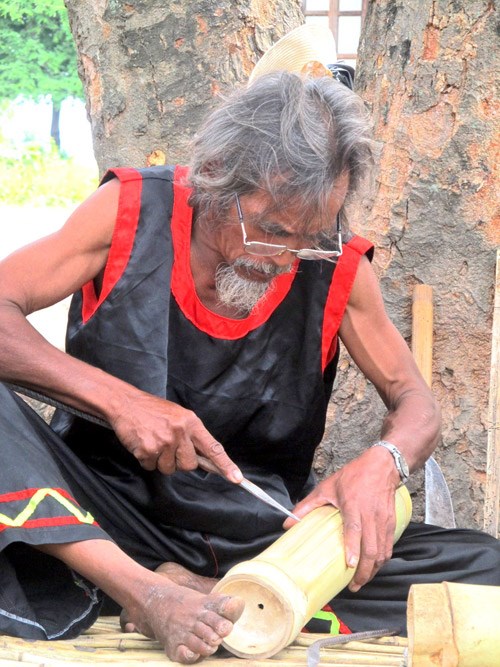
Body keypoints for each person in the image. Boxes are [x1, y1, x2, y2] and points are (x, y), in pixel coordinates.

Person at [0, 32, 499, 665]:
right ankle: (144, 591)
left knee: (482, 569)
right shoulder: (131, 211)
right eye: (270, 230)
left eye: (308, 238)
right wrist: (121, 402)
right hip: (102, 514)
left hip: (259, 538)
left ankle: (212, 593)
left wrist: (385, 461)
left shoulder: (336, 266)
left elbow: (415, 402)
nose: (285, 258)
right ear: (215, 179)